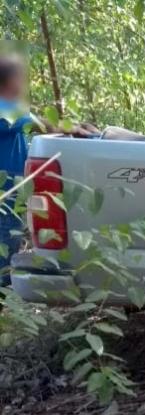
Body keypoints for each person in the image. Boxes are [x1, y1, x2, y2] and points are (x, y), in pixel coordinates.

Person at [0, 53, 96, 282]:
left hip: (12, 195)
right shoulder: (7, 114)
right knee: (3, 253)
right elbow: (39, 124)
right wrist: (71, 128)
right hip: (6, 198)